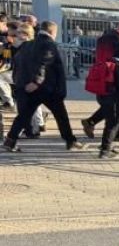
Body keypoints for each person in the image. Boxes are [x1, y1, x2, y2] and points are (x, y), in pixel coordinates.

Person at [3, 21, 87, 153]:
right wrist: (36, 81)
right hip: (47, 88)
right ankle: (70, 141)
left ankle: (10, 140)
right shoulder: (48, 44)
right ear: (53, 32)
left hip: (32, 88)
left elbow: (21, 64)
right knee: (61, 116)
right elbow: (44, 62)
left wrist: (24, 83)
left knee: (24, 115)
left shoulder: (30, 44)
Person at [83, 22, 119, 139]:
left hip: (100, 73)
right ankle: (112, 138)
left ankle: (90, 122)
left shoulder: (102, 39)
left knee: (108, 105)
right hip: (113, 76)